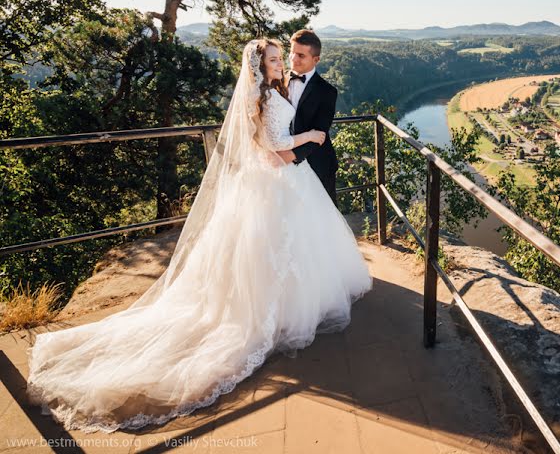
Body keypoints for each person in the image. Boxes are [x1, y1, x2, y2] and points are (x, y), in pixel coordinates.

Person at [25, 38, 372, 433]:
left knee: (287, 249)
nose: (284, 63)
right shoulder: (262, 95)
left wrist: (293, 145)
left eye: (285, 57)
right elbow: (271, 142)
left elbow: (269, 137)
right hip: (273, 181)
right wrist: (308, 136)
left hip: (285, 179)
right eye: (276, 59)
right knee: (270, 248)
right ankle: (266, 315)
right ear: (261, 66)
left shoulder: (276, 90)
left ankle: (286, 306)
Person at [278, 29, 339, 205]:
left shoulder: (327, 91)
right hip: (282, 163)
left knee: (323, 217)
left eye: (301, 55)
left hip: (317, 164)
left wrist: (291, 156)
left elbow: (320, 133)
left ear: (316, 59)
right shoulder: (277, 81)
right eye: (291, 53)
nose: (293, 59)